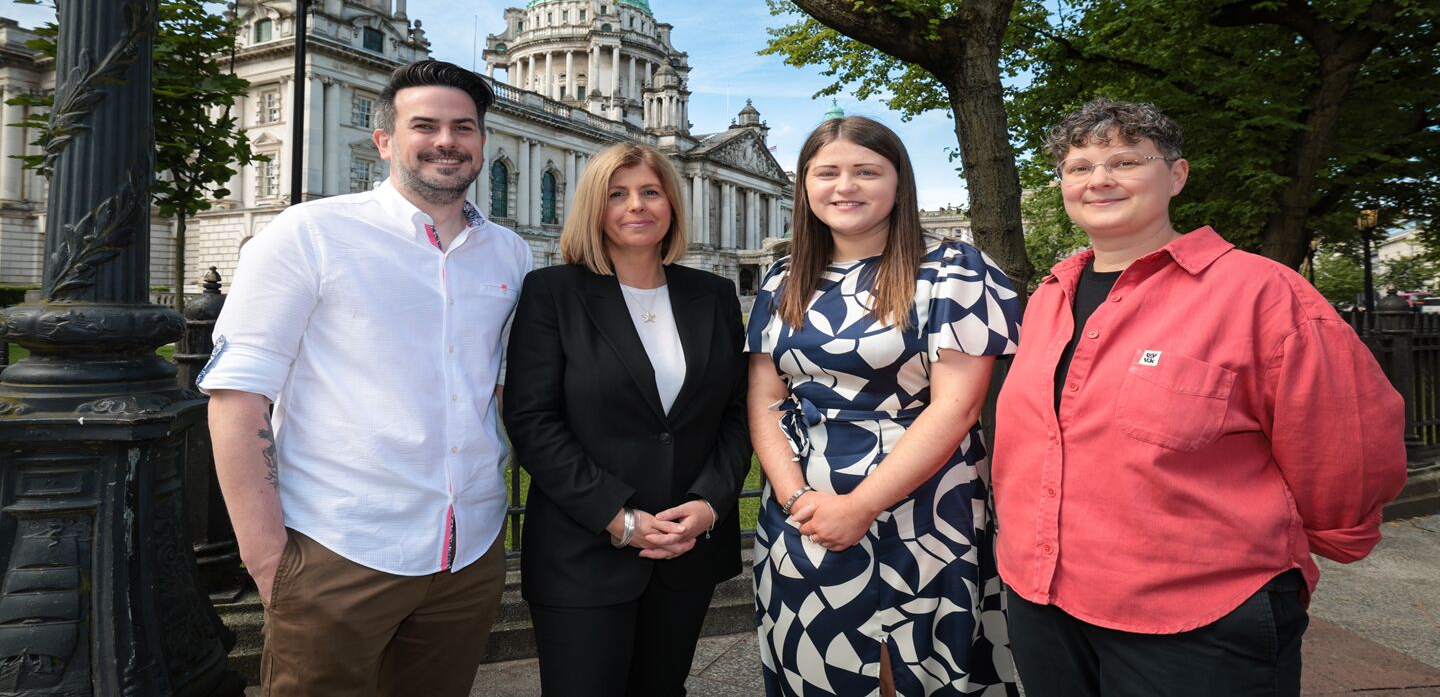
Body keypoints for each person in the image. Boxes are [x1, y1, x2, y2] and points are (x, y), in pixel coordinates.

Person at [993, 98, 1408, 697]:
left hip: (1198, 615)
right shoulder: (1048, 297)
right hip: (1043, 600)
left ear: (1177, 176)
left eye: (1125, 160)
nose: (1098, 180)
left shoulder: (1260, 293)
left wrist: (1327, 538)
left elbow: (1343, 443)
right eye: (1078, 167)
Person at [201, 60, 531, 696]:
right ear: (385, 141)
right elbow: (238, 399)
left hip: (470, 550)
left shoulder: (509, 252)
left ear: (481, 143)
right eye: (425, 125)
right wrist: (268, 560)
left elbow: (497, 388)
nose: (447, 141)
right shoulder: (310, 233)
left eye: (464, 127)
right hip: (341, 545)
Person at [747, 116, 1022, 697]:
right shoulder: (782, 277)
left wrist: (863, 504)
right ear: (804, 186)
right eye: (827, 173)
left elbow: (956, 407)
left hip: (923, 504)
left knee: (916, 669)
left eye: (866, 171)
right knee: (818, 666)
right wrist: (797, 497)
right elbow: (767, 396)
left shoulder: (954, 268)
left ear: (899, 182)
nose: (845, 186)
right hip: (804, 508)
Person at [502, 142, 752, 697]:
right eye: (617, 194)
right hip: (583, 548)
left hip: (688, 548)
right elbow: (533, 420)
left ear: (671, 204)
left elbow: (737, 414)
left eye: (650, 192)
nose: (636, 206)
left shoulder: (712, 295)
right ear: (595, 207)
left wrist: (711, 503)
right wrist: (619, 517)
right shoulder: (553, 292)